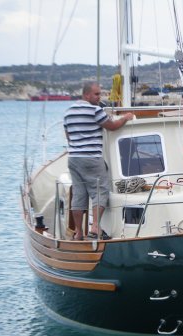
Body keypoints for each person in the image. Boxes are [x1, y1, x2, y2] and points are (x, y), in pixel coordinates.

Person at [64, 81, 133, 240]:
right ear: (86, 94)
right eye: (96, 94)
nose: (99, 97)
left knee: (79, 194)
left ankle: (79, 233)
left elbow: (68, 136)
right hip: (91, 158)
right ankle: (95, 227)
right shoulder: (95, 110)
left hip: (73, 158)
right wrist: (126, 118)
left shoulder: (68, 112)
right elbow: (113, 126)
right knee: (100, 191)